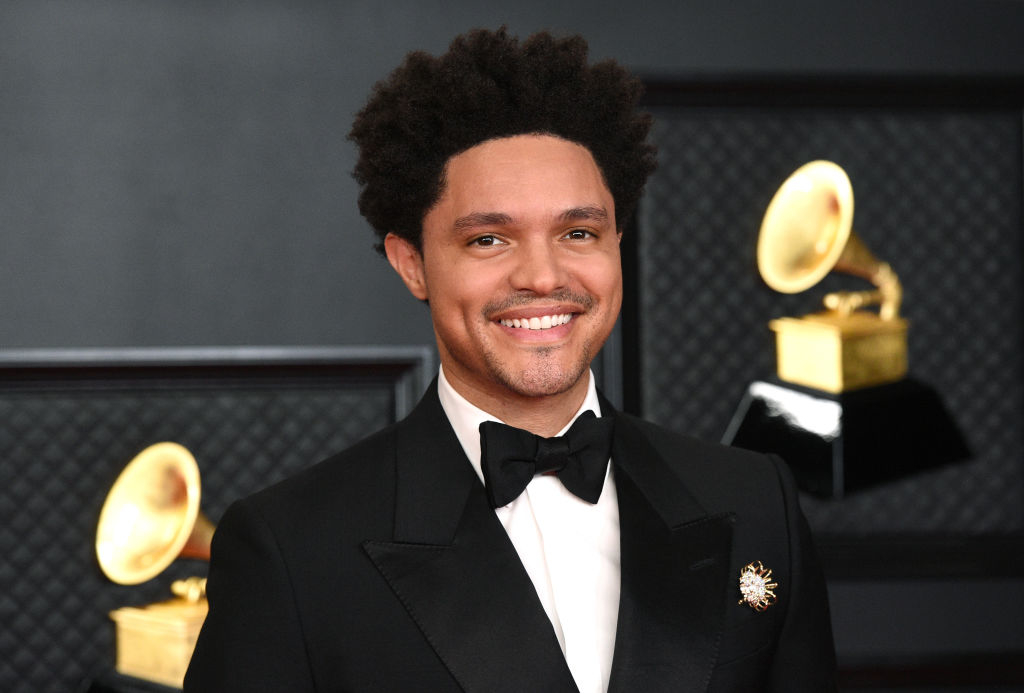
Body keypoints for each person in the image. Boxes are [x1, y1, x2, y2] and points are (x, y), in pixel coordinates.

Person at [184, 28, 837, 693]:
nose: (543, 275)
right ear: (412, 263)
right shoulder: (292, 549)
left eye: (577, 232)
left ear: (617, 241)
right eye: (489, 238)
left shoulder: (755, 501)